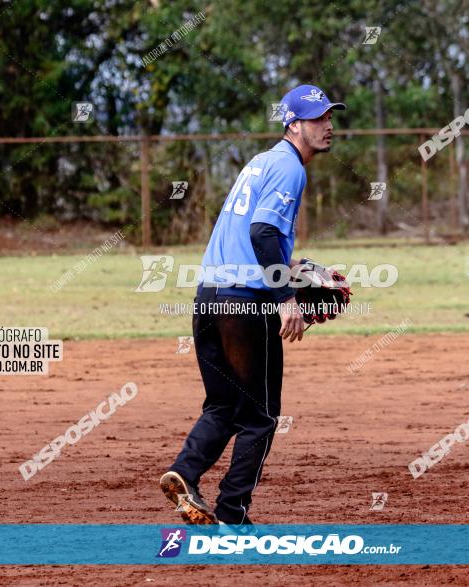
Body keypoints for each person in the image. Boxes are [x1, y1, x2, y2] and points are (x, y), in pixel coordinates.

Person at [159, 84, 346, 526]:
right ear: (293, 124)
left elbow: (250, 236)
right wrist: (285, 297)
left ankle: (184, 473)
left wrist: (295, 266)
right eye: (318, 118)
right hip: (244, 304)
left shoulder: (261, 163)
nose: (329, 125)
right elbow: (262, 233)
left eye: (330, 116)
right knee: (260, 417)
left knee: (223, 405)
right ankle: (232, 515)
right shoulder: (289, 168)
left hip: (209, 296)